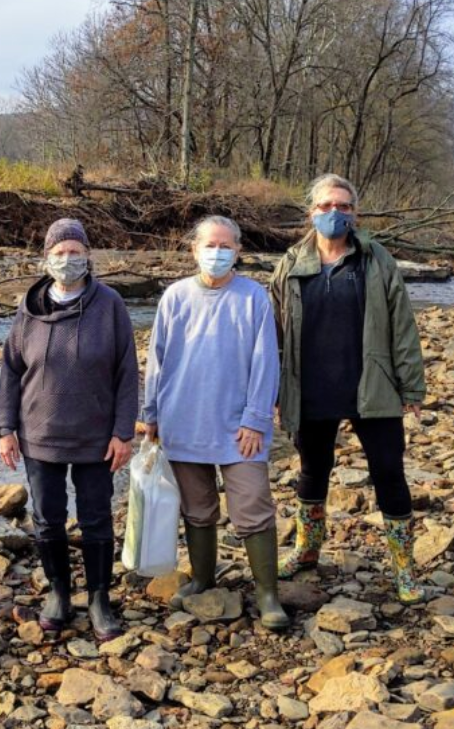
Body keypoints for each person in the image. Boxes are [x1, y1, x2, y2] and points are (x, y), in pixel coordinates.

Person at [269, 173, 427, 604]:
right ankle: (306, 551)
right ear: (311, 213)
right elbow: (273, 334)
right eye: (325, 206)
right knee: (311, 473)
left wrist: (411, 387)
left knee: (389, 473)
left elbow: (402, 326)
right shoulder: (290, 264)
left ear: (355, 213)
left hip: (373, 387)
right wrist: (270, 391)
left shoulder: (376, 261)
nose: (334, 214)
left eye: (343, 206)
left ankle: (403, 567)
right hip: (311, 389)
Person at [143, 215, 289, 631]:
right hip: (182, 420)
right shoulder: (174, 297)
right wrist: (151, 415)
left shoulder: (253, 297)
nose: (218, 253)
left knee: (252, 507)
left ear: (239, 251)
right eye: (210, 245)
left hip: (239, 426)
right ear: (193, 250)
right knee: (198, 508)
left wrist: (256, 419)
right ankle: (203, 578)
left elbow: (266, 362)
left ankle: (267, 593)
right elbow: (157, 358)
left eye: (227, 246)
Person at [0, 218, 138, 641]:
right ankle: (58, 592)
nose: (67, 259)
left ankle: (98, 598)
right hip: (39, 434)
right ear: (47, 258)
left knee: (96, 519)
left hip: (97, 436)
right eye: (59, 253)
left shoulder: (109, 305)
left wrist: (123, 432)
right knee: (47, 519)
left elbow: (127, 373)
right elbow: (9, 369)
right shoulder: (30, 307)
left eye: (75, 252)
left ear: (88, 256)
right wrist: (6, 428)